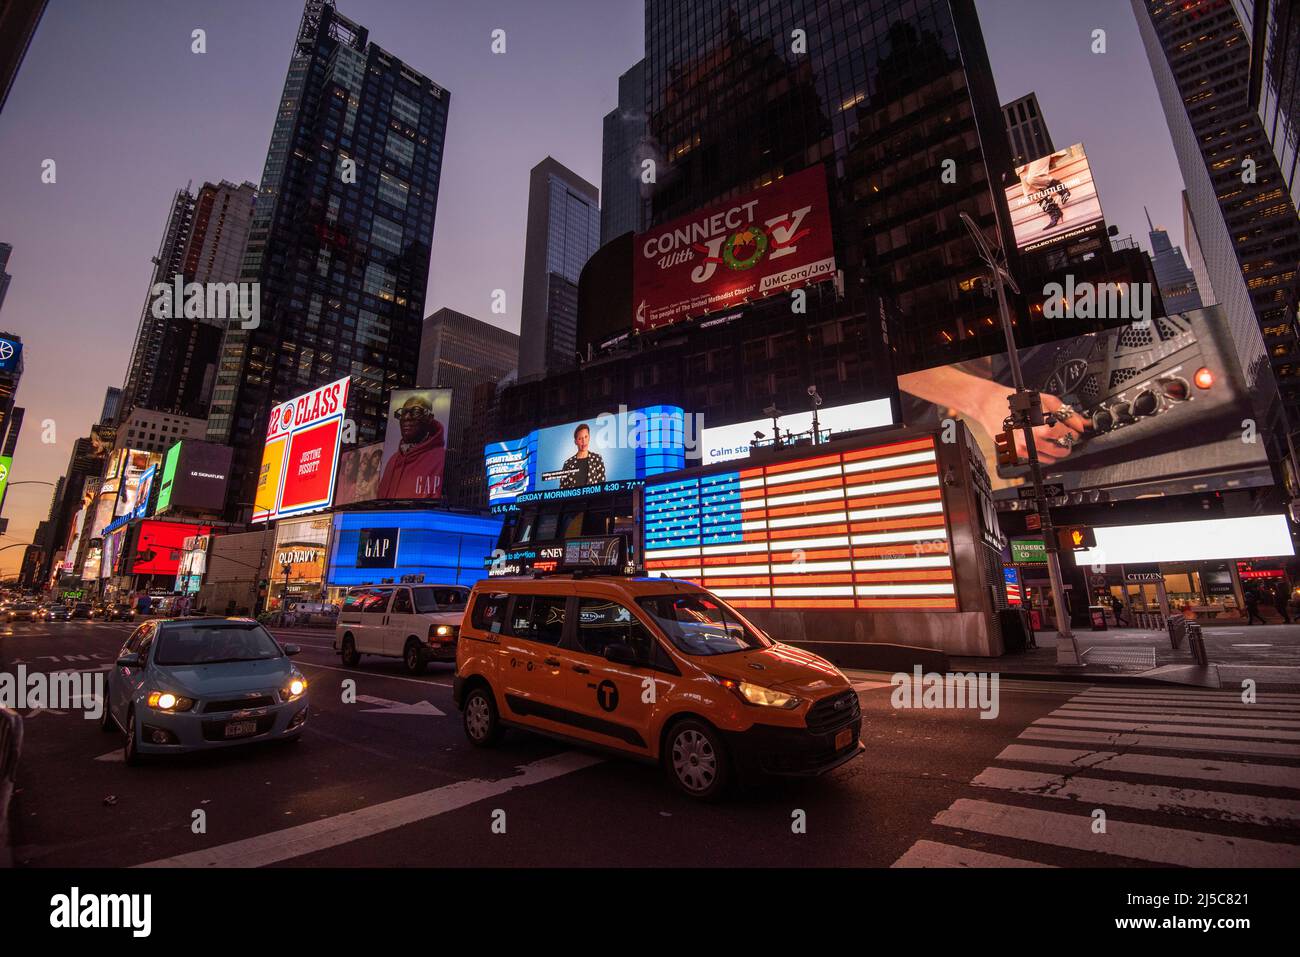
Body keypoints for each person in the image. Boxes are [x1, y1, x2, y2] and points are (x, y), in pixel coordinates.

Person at [377, 394, 446, 499]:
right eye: (403, 413)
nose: (407, 417)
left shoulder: (441, 458)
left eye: (416, 412)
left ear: (429, 418)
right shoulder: (393, 460)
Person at [559, 423, 607, 489]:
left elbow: (602, 485)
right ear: (575, 442)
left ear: (589, 437)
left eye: (586, 437)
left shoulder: (597, 459)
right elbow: (562, 489)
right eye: (580, 438)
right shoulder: (568, 464)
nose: (584, 441)